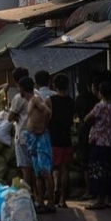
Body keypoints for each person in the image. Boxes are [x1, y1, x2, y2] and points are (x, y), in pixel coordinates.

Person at [84, 81, 111, 210]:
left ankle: (100, 200)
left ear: (100, 92)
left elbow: (87, 118)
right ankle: (109, 198)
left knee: (99, 171)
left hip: (99, 142)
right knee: (110, 171)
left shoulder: (100, 106)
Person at [20, 76, 55, 213]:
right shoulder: (29, 101)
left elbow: (47, 112)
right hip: (33, 138)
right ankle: (40, 201)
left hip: (40, 138)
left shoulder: (35, 99)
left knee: (45, 172)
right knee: (38, 173)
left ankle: (51, 202)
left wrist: (42, 127)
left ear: (22, 89)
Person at [8, 67, 38, 195]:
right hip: (37, 135)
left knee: (26, 169)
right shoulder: (37, 94)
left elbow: (11, 117)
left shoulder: (18, 97)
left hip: (22, 135)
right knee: (37, 168)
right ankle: (39, 197)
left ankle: (28, 196)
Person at [48, 74, 74, 208]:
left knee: (55, 168)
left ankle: (55, 189)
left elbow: (46, 116)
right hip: (66, 138)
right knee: (65, 169)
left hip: (54, 138)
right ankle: (63, 199)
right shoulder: (71, 102)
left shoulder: (51, 100)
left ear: (54, 85)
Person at [75, 79, 99, 200]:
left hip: (84, 133)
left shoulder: (78, 99)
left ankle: (89, 190)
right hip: (95, 134)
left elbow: (80, 116)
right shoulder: (95, 99)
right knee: (95, 162)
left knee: (84, 162)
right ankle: (96, 189)